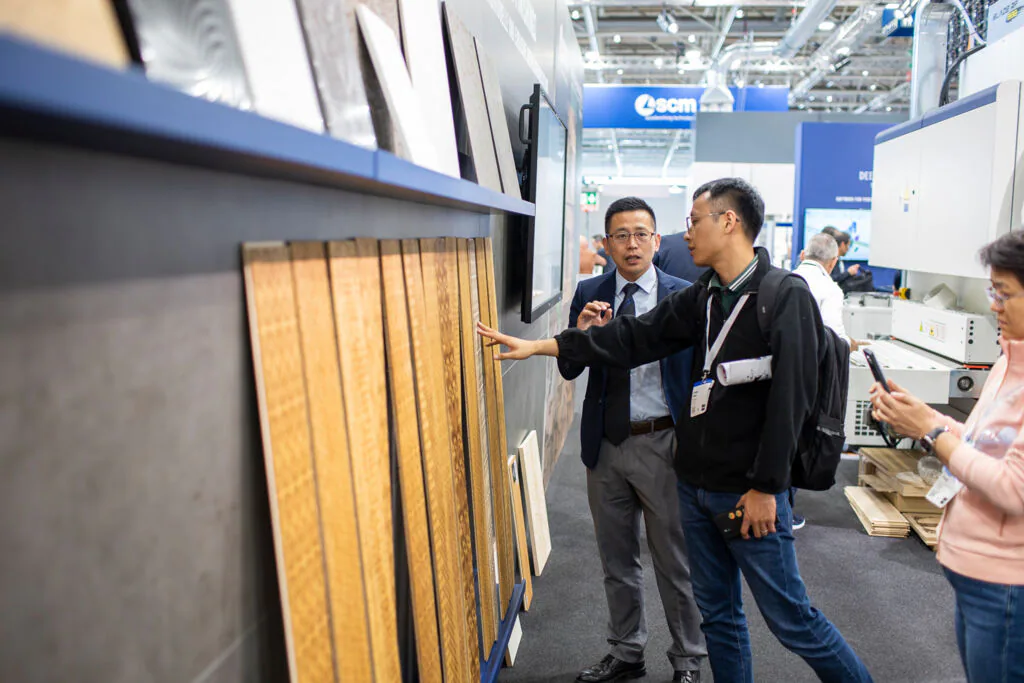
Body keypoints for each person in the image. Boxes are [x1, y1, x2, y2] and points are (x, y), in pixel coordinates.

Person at [478, 178, 874, 683]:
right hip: (696, 486)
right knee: (720, 618)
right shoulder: (705, 296)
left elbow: (791, 402)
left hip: (748, 491)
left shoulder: (783, 295)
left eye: (693, 222)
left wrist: (767, 488)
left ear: (728, 222)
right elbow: (635, 337)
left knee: (792, 620)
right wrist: (545, 346)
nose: (684, 235)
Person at [560, 197, 706, 683]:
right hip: (606, 445)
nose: (632, 244)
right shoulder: (591, 292)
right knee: (616, 559)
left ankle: (688, 659)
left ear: (657, 240)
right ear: (606, 244)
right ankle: (626, 652)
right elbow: (569, 368)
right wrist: (581, 334)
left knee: (674, 561)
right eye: (621, 235)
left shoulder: (683, 296)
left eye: (641, 234)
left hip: (664, 443)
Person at [869, 230, 1024, 683]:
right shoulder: (1008, 362)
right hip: (974, 571)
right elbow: (981, 445)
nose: (994, 306)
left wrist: (931, 431)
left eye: (1004, 294)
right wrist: (920, 416)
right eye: (993, 292)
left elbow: (1013, 489)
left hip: (1006, 582)